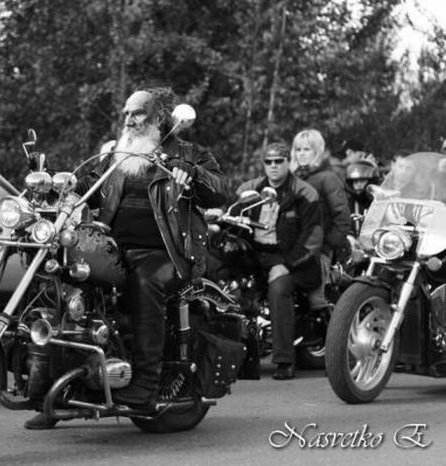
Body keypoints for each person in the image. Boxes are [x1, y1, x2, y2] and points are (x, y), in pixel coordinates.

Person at [24, 87, 230, 429]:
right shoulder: (118, 156)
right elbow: (87, 186)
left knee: (146, 280)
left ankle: (147, 383)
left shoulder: (189, 154)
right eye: (126, 114)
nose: (128, 120)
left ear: (159, 118)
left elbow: (221, 189)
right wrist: (59, 185)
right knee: (63, 279)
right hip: (114, 249)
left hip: (167, 252)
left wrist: (191, 173)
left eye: (137, 114)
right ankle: (55, 390)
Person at [237, 142, 323, 380]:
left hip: (294, 262)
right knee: (223, 279)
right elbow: (235, 216)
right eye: (269, 162)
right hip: (255, 257)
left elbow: (313, 238)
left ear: (288, 162)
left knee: (278, 289)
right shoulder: (250, 190)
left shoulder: (304, 192)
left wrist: (286, 265)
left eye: (279, 161)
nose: (273, 166)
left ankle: (284, 360)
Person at [291, 129, 351, 311]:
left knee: (316, 302)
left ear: (317, 152)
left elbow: (342, 217)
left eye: (307, 149)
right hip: (292, 247)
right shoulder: (290, 179)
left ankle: (331, 324)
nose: (302, 154)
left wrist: (327, 247)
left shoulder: (328, 178)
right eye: (298, 149)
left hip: (319, 250)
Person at [345, 158, 381, 235]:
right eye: (355, 181)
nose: (358, 185)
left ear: (371, 181)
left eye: (362, 180)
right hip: (356, 240)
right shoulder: (349, 202)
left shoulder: (380, 202)